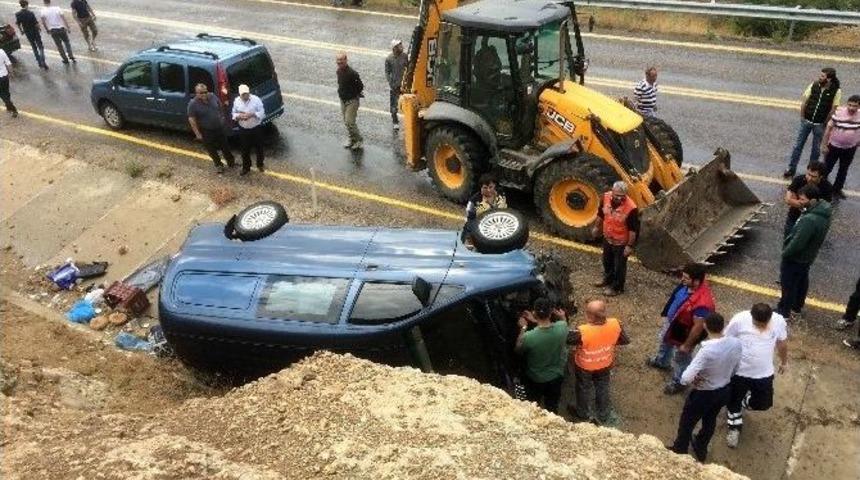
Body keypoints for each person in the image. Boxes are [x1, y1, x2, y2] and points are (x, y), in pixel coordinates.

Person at [668, 313, 742, 463]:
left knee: (687, 422)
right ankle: (701, 447)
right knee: (710, 419)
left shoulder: (706, 350)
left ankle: (680, 449)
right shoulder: (736, 343)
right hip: (724, 390)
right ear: (723, 326)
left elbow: (686, 378)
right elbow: (736, 367)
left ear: (706, 326)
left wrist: (693, 379)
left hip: (704, 393)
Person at [723, 303, 788, 448]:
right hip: (740, 372)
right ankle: (734, 426)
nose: (760, 328)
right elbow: (726, 340)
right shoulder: (739, 320)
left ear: (770, 318)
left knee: (763, 403)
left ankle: (741, 403)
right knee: (733, 403)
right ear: (751, 316)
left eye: (763, 325)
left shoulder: (778, 321)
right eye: (757, 324)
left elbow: (782, 344)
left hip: (763, 373)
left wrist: (784, 362)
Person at [646, 263, 715, 395]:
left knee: (682, 357)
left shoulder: (702, 304)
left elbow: (698, 327)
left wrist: (687, 345)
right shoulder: (688, 285)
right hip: (674, 323)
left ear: (696, 281)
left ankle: (680, 381)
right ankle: (662, 361)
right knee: (665, 342)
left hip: (685, 331)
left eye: (686, 278)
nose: (682, 280)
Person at [567, 299, 629, 426]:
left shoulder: (582, 332)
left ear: (589, 316)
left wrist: (563, 320)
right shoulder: (615, 324)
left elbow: (567, 339)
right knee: (602, 386)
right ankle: (603, 413)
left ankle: (582, 413)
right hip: (605, 363)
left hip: (585, 367)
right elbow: (625, 340)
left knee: (584, 388)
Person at [777, 184, 832, 320]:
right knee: (801, 281)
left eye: (802, 199)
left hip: (796, 258)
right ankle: (797, 307)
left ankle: (784, 312)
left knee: (788, 284)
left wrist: (785, 253)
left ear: (812, 200)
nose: (799, 202)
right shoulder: (823, 211)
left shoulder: (809, 220)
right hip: (807, 257)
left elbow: (798, 243)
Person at [783, 68, 842, 178]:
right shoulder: (814, 85)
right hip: (806, 121)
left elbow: (834, 108)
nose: (820, 77)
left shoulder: (836, 91)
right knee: (797, 146)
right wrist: (802, 116)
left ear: (829, 79)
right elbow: (805, 101)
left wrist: (825, 122)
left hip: (819, 124)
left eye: (822, 76)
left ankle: (811, 172)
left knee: (815, 150)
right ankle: (791, 168)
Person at [515, 297, 569, 414]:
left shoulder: (528, 337)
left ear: (534, 312)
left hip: (536, 378)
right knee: (552, 406)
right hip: (556, 376)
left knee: (534, 406)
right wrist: (562, 315)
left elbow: (518, 349)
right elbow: (562, 322)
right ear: (551, 313)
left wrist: (523, 327)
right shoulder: (562, 328)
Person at [592, 181, 639, 297]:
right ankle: (607, 279)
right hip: (608, 238)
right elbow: (601, 214)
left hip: (621, 242)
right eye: (617, 195)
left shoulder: (631, 208)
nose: (619, 198)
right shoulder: (605, 197)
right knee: (607, 261)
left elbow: (633, 230)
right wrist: (596, 227)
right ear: (612, 191)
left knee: (619, 266)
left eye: (622, 196)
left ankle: (617, 287)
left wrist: (629, 246)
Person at [187, 83, 236, 174]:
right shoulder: (193, 104)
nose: (204, 94)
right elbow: (192, 119)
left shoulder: (213, 96)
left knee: (225, 146)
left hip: (219, 127)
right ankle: (218, 165)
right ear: (196, 93)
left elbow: (220, 105)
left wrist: (222, 117)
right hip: (206, 130)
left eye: (205, 92)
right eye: (201, 93)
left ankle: (231, 162)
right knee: (211, 149)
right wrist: (197, 133)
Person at [821, 95, 860, 200]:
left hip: (850, 148)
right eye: (850, 105)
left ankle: (837, 189)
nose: (851, 108)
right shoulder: (839, 113)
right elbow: (828, 129)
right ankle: (821, 189)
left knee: (843, 169)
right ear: (847, 104)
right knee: (827, 168)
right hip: (834, 146)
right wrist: (824, 145)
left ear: (858, 106)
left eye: (855, 106)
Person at [782, 161, 832, 238]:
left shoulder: (827, 187)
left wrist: (797, 202)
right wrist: (810, 204)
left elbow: (825, 207)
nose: (809, 178)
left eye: (813, 176)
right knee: (788, 238)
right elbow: (788, 199)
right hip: (794, 217)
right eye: (808, 174)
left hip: (812, 222)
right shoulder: (798, 180)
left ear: (821, 176)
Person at [231, 84, 266, 175]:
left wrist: (252, 114)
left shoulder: (256, 100)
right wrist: (239, 116)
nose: (245, 96)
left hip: (256, 128)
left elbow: (262, 113)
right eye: (243, 94)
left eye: (246, 93)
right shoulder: (236, 101)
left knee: (259, 148)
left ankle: (260, 164)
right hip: (243, 129)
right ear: (239, 94)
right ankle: (246, 167)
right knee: (245, 149)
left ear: (249, 92)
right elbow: (233, 113)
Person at [336, 52, 364, 150]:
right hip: (343, 100)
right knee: (346, 122)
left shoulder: (352, 73)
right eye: (338, 61)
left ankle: (358, 140)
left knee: (350, 122)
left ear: (346, 60)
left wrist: (354, 94)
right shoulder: (338, 71)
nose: (339, 63)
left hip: (352, 101)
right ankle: (352, 139)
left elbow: (360, 86)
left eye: (341, 61)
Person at [16, 0, 48, 69]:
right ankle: (43, 61)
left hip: (27, 32)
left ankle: (39, 62)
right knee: (40, 46)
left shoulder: (18, 14)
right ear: (26, 5)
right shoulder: (30, 13)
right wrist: (39, 28)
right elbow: (36, 23)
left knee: (34, 47)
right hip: (35, 31)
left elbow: (18, 24)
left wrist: (21, 31)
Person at [40, 0, 75, 64]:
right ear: (50, 1)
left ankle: (65, 59)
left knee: (59, 45)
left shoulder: (43, 11)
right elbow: (63, 18)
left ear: (44, 2)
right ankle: (71, 55)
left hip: (53, 30)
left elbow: (43, 22)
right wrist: (68, 27)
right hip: (61, 28)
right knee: (67, 42)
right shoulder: (57, 8)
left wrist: (47, 29)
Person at [385, 39, 407, 130]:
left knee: (407, 103)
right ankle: (395, 122)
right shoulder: (389, 59)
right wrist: (391, 83)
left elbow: (409, 68)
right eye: (399, 45)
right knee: (394, 105)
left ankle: (408, 121)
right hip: (395, 85)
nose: (401, 47)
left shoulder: (405, 56)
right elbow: (387, 72)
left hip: (405, 85)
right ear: (394, 48)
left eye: (401, 45)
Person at [0, 49, 18, 118]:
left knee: (2, 95)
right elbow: (8, 63)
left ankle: (12, 108)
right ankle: (8, 106)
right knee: (6, 92)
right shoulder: (1, 51)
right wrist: (12, 73)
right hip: (4, 76)